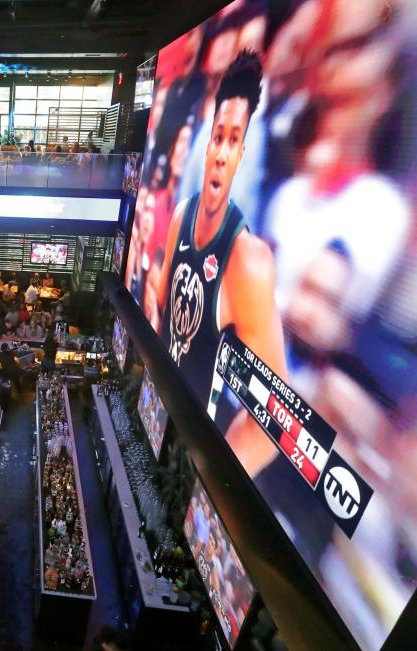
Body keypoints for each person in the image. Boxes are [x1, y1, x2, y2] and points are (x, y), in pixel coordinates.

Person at [148, 51, 286, 475]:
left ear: (242, 153)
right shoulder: (180, 216)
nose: (222, 153)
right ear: (206, 143)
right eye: (218, 137)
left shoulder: (248, 260)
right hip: (156, 414)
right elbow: (163, 314)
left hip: (190, 449)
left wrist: (208, 479)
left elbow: (276, 419)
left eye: (233, 141)